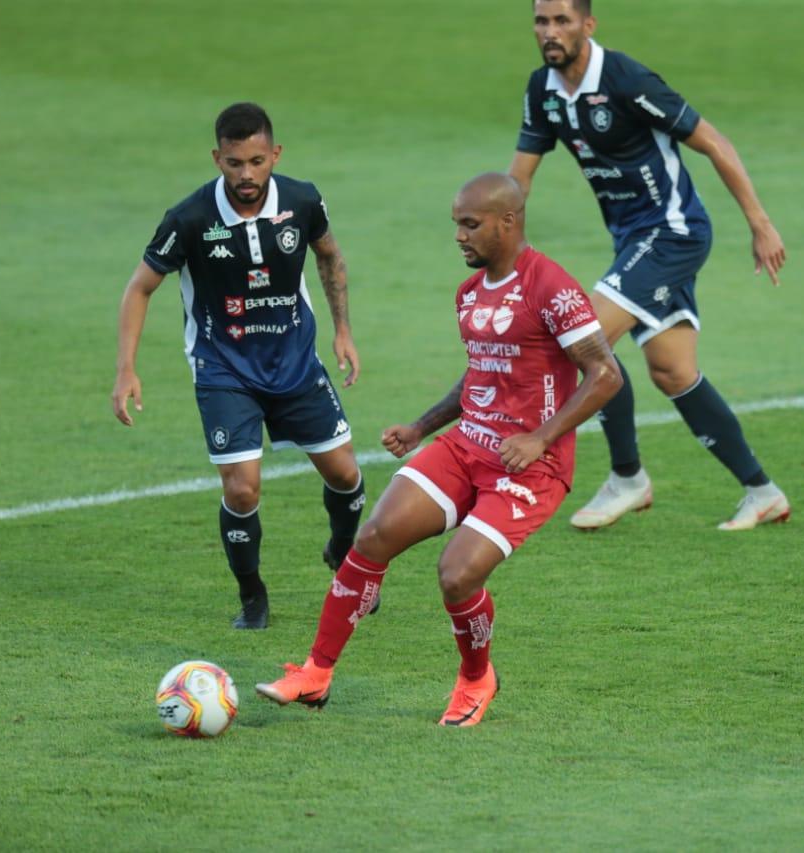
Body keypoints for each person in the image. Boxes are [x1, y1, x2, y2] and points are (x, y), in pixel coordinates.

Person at [256, 172, 622, 726]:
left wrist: (541, 436)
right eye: (456, 224)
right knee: (375, 535)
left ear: (509, 221)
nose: (459, 236)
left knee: (457, 574)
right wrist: (422, 426)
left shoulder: (552, 287)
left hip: (531, 467)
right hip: (466, 445)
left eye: (470, 224)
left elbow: (605, 375)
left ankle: (477, 678)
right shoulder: (470, 294)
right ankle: (315, 674)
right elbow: (481, 374)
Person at [509, 0, 792, 531]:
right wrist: (507, 255)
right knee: (673, 370)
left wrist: (760, 222)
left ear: (588, 26)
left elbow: (713, 141)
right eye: (541, 22)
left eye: (562, 21)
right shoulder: (541, 89)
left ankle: (627, 478)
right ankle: (762, 491)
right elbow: (519, 179)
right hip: (631, 241)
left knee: (583, 336)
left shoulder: (624, 78)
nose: (550, 32)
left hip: (674, 231)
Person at [111, 102, 370, 630]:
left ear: (274, 154)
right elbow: (140, 288)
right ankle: (253, 597)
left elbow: (330, 256)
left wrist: (342, 330)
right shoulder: (189, 218)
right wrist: (126, 369)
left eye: (256, 161)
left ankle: (342, 553)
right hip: (224, 369)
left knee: (346, 475)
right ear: (217, 158)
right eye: (234, 163)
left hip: (296, 361)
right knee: (242, 488)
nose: (246, 175)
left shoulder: (302, 199)